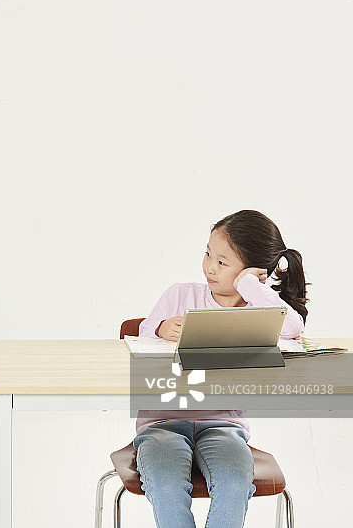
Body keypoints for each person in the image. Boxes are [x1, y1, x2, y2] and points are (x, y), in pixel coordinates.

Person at [134, 209, 307, 528]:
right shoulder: (181, 294)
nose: (210, 267)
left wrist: (252, 288)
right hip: (163, 422)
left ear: (254, 273)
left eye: (223, 262)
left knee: (234, 485)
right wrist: (160, 328)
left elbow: (293, 325)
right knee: (167, 487)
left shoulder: (259, 310)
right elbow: (140, 337)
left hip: (223, 424)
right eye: (208, 254)